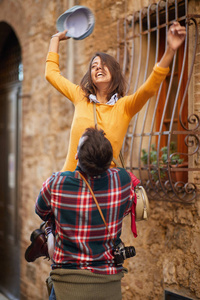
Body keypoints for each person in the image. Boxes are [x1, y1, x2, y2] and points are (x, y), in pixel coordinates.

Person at [46, 21, 186, 172]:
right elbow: (51, 74)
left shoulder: (124, 107)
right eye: (94, 66)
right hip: (73, 182)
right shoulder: (80, 96)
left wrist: (170, 50)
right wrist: (55, 39)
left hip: (106, 187)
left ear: (114, 73)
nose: (98, 67)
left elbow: (148, 89)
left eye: (103, 64)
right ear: (91, 76)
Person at [34, 127, 140, 300]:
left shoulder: (56, 183)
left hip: (66, 286)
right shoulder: (123, 180)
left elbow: (41, 211)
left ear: (77, 156)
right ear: (108, 160)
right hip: (108, 286)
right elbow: (128, 207)